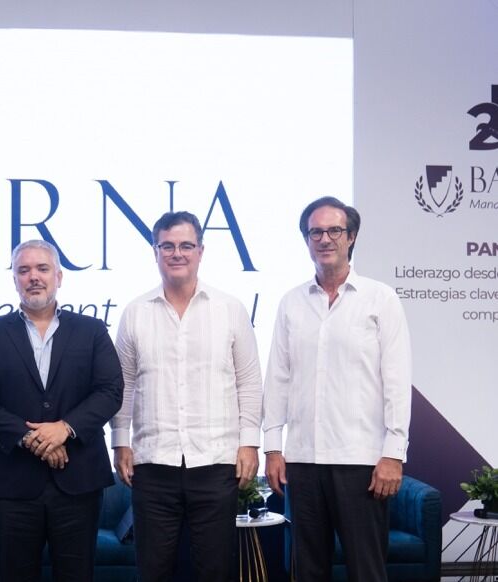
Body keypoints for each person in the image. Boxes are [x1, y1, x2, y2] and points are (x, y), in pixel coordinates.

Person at [263, 196, 412, 581]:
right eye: (316, 232)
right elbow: (278, 378)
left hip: (361, 461)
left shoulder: (381, 299)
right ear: (306, 239)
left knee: (367, 570)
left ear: (352, 237)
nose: (325, 239)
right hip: (303, 462)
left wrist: (393, 454)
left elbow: (396, 381)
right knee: (306, 571)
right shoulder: (291, 303)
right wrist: (274, 448)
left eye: (334, 230)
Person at [110, 211, 262, 581]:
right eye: (168, 246)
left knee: (214, 569)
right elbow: (124, 384)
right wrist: (120, 443)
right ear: (155, 250)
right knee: (154, 570)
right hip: (152, 464)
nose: (177, 253)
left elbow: (249, 382)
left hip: (215, 461)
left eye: (186, 246)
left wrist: (249, 444)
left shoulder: (230, 309)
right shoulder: (135, 313)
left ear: (200, 251)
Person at [0, 239, 124, 582]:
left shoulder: (92, 331)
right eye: (24, 270)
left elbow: (110, 391)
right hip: (11, 483)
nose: (33, 277)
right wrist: (30, 437)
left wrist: (64, 428)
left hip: (79, 481)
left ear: (59, 276)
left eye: (42, 268)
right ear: (14, 279)